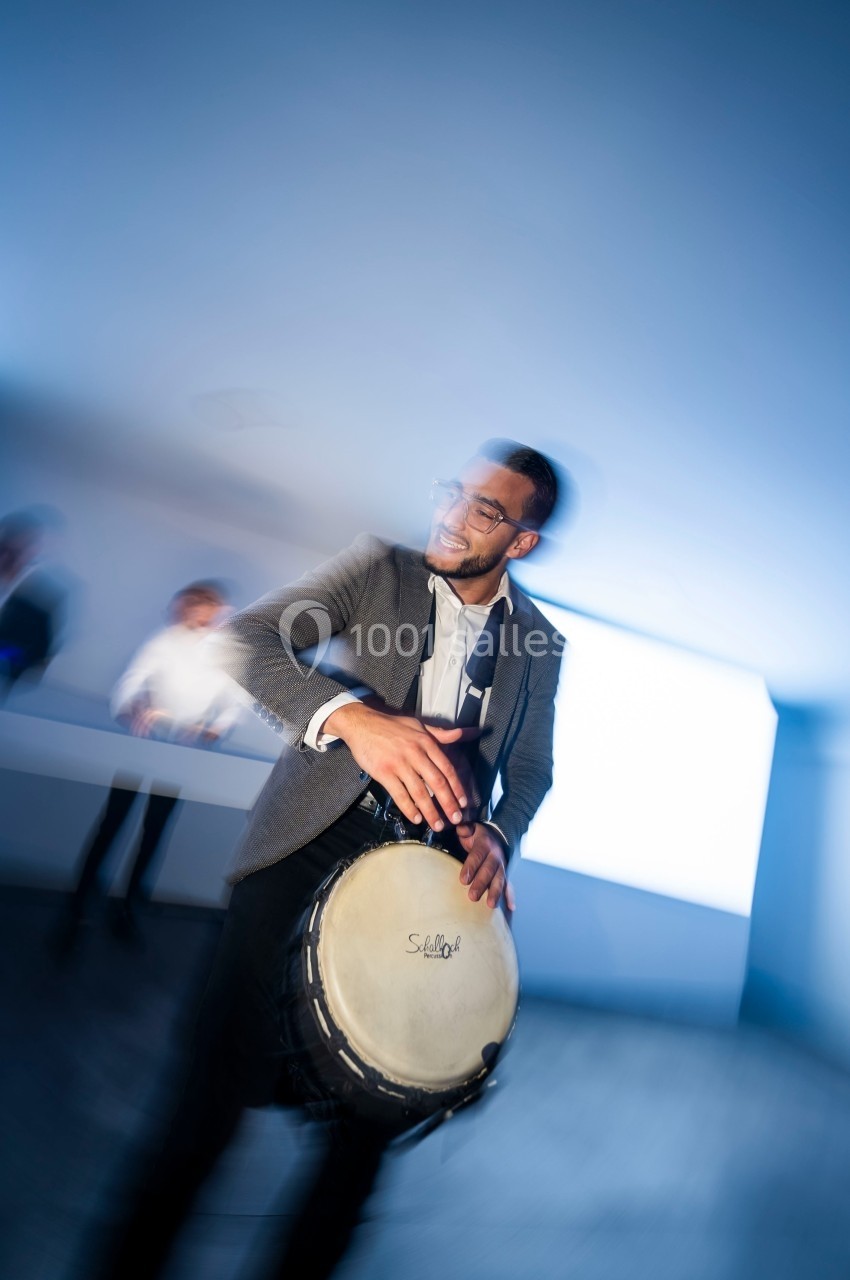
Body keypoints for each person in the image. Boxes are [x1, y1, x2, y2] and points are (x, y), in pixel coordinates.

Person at [93, 440, 565, 1280]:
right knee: (208, 1097)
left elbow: (530, 768)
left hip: (432, 878)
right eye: (453, 492)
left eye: (485, 510)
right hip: (310, 841)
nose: (452, 515)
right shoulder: (378, 568)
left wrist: (501, 832)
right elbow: (248, 641)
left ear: (521, 540)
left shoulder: (543, 644)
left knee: (366, 1137)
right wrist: (352, 714)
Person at [58, 580, 241, 948]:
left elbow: (235, 705)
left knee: (153, 833)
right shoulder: (164, 641)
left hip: (181, 756)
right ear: (190, 606)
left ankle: (125, 911)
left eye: (215, 608)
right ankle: (77, 906)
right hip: (143, 748)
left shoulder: (229, 652)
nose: (210, 614)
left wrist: (209, 729)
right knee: (111, 825)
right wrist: (135, 707)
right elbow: (129, 684)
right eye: (204, 606)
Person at [0, 508, 66, 698]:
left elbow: (38, 657)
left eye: (26, 544)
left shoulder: (44, 599)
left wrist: (5, 655)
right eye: (8, 538)